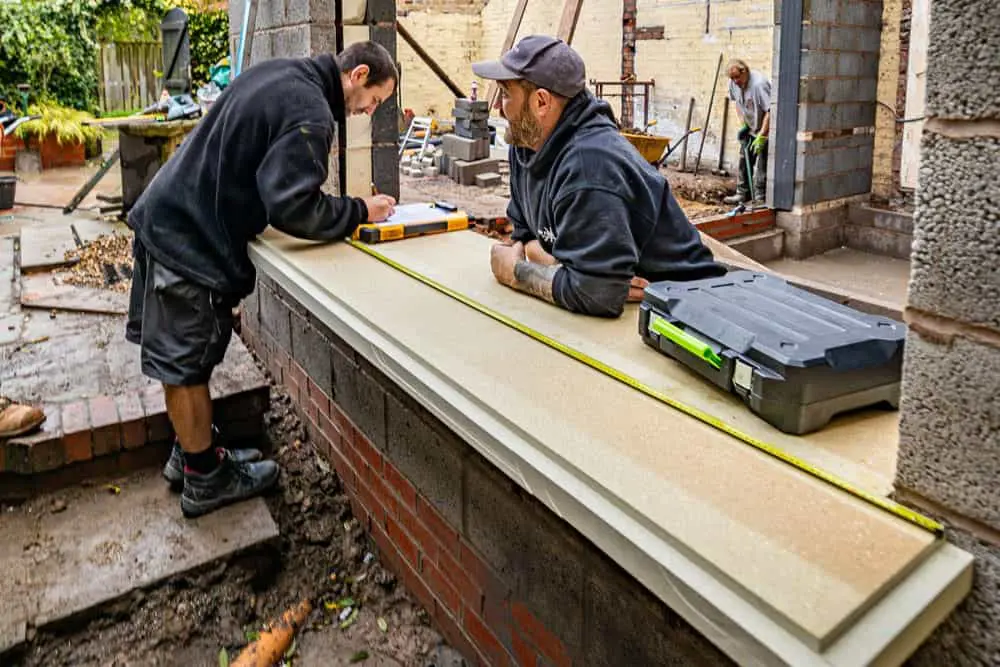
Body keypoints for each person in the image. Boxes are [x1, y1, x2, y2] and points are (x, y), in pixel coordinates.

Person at [126, 41, 399, 519]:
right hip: (187, 238)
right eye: (372, 100)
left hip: (171, 217)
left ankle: (192, 456)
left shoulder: (284, 72)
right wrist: (359, 211)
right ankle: (204, 482)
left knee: (185, 360)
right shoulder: (312, 110)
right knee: (185, 365)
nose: (366, 112)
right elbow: (293, 204)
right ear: (357, 74)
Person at [472, 35, 725, 318]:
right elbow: (524, 237)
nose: (497, 107)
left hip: (691, 312)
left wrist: (516, 272)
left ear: (541, 102)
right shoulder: (526, 145)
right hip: (630, 313)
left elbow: (597, 295)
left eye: (505, 94)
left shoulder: (590, 165)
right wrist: (565, 270)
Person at [724, 59, 772, 205]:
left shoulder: (759, 85)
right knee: (744, 161)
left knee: (763, 164)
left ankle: (760, 197)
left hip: (766, 128)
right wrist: (743, 124)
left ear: (745, 71)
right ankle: (742, 194)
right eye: (732, 78)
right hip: (750, 128)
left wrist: (762, 135)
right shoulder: (734, 84)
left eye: (737, 77)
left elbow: (771, 112)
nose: (735, 81)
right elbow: (737, 104)